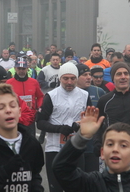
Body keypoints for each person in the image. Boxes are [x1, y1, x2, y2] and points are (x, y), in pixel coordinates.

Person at [52, 106, 130, 192]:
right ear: (102, 152)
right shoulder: (91, 184)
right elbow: (61, 168)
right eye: (110, 144)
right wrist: (82, 137)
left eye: (123, 145)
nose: (115, 149)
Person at [36, 62, 91, 192]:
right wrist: (59, 128)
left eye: (73, 78)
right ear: (60, 78)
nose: (69, 82)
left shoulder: (84, 95)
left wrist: (80, 126)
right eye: (65, 78)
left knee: (78, 187)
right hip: (54, 148)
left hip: (76, 147)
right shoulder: (51, 96)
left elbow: (89, 120)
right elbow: (40, 122)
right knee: (56, 188)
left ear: (77, 79)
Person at [76, 63, 106, 172]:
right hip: (76, 143)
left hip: (92, 145)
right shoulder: (70, 92)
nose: (89, 77)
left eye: (89, 74)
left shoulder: (99, 91)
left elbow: (105, 116)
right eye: (84, 75)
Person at [6, 57, 44, 136]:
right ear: (15, 69)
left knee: (30, 144)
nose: (21, 71)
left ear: (27, 68)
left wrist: (39, 108)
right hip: (15, 119)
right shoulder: (9, 83)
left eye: (23, 69)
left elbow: (40, 96)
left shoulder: (34, 82)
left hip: (30, 118)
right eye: (19, 69)